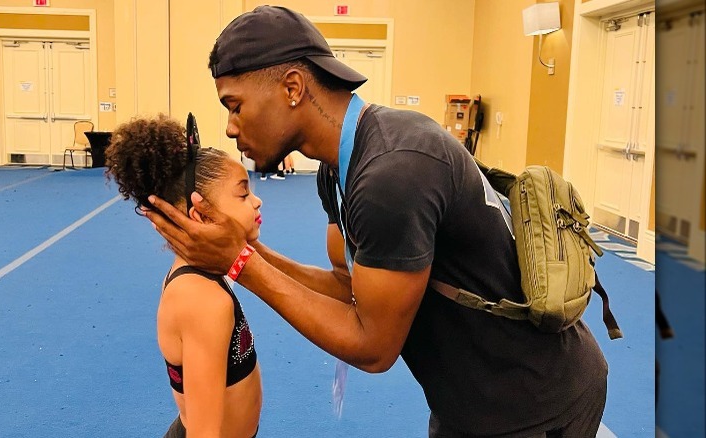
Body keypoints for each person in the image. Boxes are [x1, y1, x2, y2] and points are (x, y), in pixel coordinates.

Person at [144, 6, 609, 437]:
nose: (229, 126)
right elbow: (349, 288)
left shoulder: (391, 174)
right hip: (472, 398)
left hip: (535, 401)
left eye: (235, 105)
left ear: (292, 88)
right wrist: (245, 249)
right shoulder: (336, 168)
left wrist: (239, 261)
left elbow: (373, 346)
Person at [105, 114, 263, 438]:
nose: (256, 201)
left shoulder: (203, 271)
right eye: (243, 194)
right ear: (201, 215)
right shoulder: (202, 300)